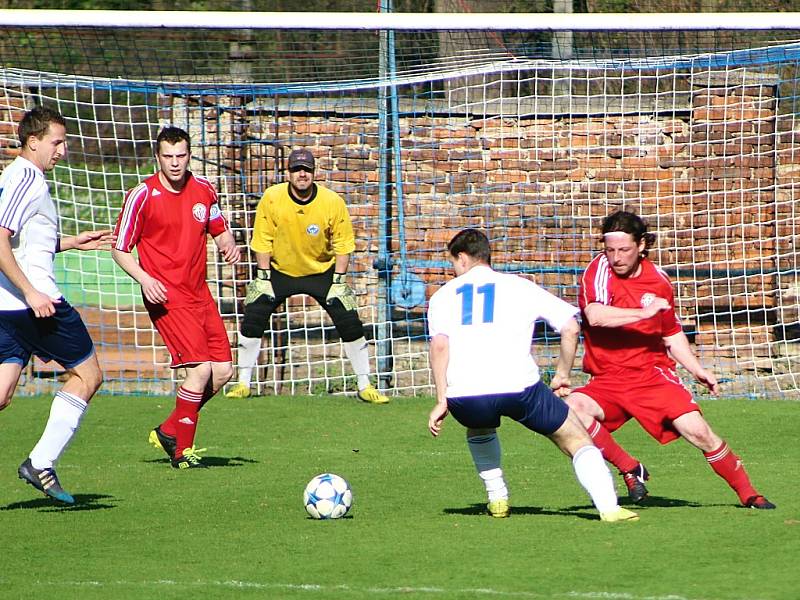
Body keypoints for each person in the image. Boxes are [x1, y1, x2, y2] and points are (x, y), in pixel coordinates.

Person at [565, 210, 775, 510]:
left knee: (699, 431)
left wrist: (698, 370)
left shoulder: (659, 281)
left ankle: (748, 493)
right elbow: (595, 316)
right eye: (610, 250)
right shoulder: (598, 270)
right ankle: (629, 467)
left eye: (624, 250)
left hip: (651, 376)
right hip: (607, 380)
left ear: (641, 246)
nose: (616, 258)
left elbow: (671, 333)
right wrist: (643, 312)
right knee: (572, 411)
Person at [427, 228, 638, 522]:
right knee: (576, 438)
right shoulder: (519, 286)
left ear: (462, 258)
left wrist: (441, 400)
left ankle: (497, 497)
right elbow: (571, 327)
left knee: (479, 428)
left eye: (453, 262)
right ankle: (608, 507)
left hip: (465, 395)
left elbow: (439, 346)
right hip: (519, 388)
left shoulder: (442, 296)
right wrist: (562, 374)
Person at [0, 106, 113, 505]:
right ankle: (41, 462)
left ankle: (41, 462)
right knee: (89, 375)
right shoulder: (26, 177)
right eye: (57, 142)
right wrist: (32, 293)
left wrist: (70, 241)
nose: (62, 150)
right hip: (34, 304)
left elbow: (24, 242)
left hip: (7, 306)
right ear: (33, 142)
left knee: (2, 393)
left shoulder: (16, 176)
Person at [112, 126, 241, 469]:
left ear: (189, 155)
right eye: (168, 157)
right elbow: (120, 249)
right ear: (158, 157)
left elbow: (217, 226)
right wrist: (144, 278)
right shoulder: (141, 195)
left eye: (181, 156)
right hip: (167, 297)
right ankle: (182, 451)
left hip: (200, 294)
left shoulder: (203, 190)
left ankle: (171, 429)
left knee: (224, 371)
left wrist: (227, 242)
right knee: (199, 371)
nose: (175, 163)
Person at [225, 148, 388, 404]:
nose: (302, 174)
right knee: (253, 315)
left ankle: (365, 384)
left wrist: (339, 281)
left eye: (307, 170)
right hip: (279, 270)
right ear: (288, 173)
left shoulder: (331, 201)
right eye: (296, 169)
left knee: (349, 320)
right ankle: (243, 383)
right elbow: (262, 238)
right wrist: (263, 276)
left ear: (314, 173)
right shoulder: (273, 197)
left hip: (322, 271)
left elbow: (343, 244)